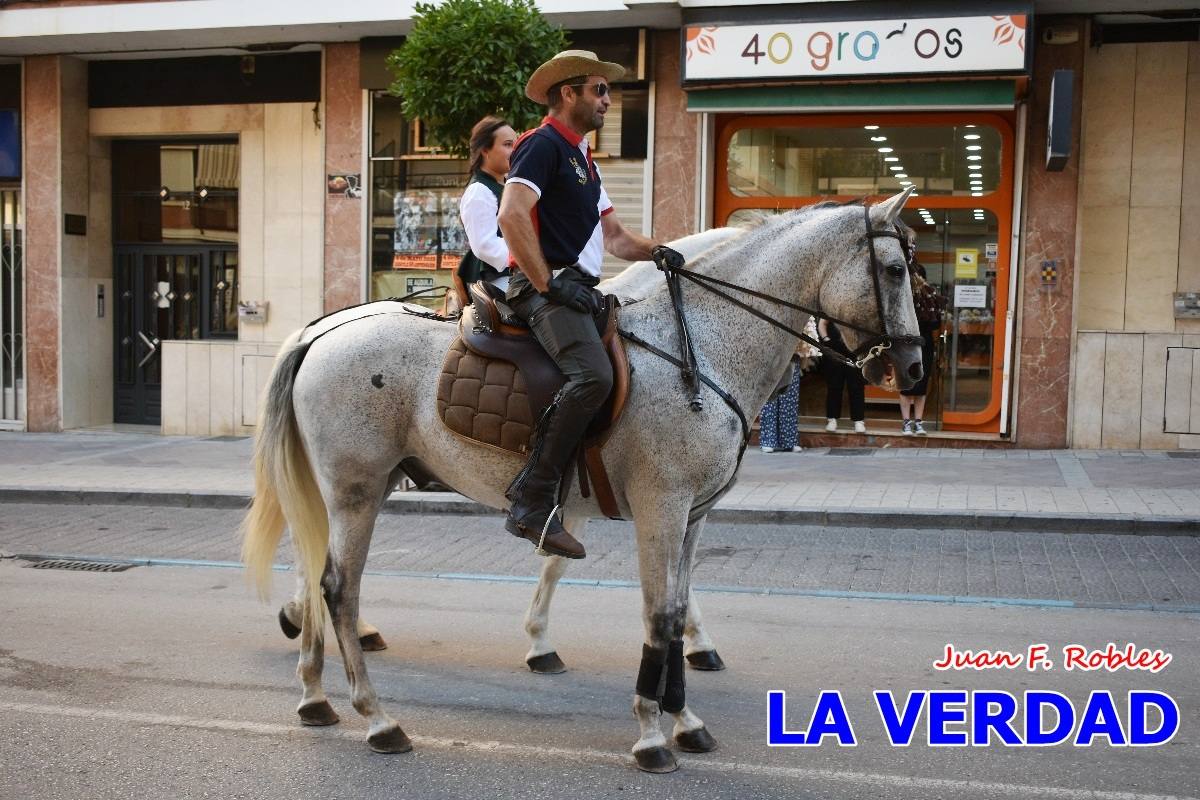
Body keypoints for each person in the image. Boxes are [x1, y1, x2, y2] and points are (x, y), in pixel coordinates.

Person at [497, 50, 684, 559]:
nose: (607, 100)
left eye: (608, 92)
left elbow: (617, 237)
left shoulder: (584, 159)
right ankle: (532, 501)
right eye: (600, 90)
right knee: (593, 377)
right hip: (541, 288)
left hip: (578, 288)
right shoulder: (542, 145)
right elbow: (511, 216)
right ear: (568, 93)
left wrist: (661, 250)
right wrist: (549, 283)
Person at [457, 116, 517, 299]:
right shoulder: (479, 191)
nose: (515, 151)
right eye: (507, 144)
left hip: (516, 273)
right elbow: (485, 245)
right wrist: (527, 257)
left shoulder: (508, 185)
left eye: (516, 144)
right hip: (495, 278)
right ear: (485, 150)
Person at [759, 317, 820, 453]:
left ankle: (789, 441)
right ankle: (768, 440)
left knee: (790, 398)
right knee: (769, 397)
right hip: (771, 353)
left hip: (792, 353)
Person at [900, 262, 946, 435]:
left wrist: (930, 309)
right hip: (905, 345)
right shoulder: (901, 298)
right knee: (906, 384)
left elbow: (935, 325)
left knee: (921, 384)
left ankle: (918, 422)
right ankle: (906, 422)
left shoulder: (928, 298)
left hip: (924, 344)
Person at [818, 317, 867, 434]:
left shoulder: (857, 309)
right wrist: (826, 340)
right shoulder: (831, 307)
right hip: (834, 349)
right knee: (834, 385)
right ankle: (832, 419)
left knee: (856, 386)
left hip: (854, 350)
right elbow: (822, 323)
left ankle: (859, 421)